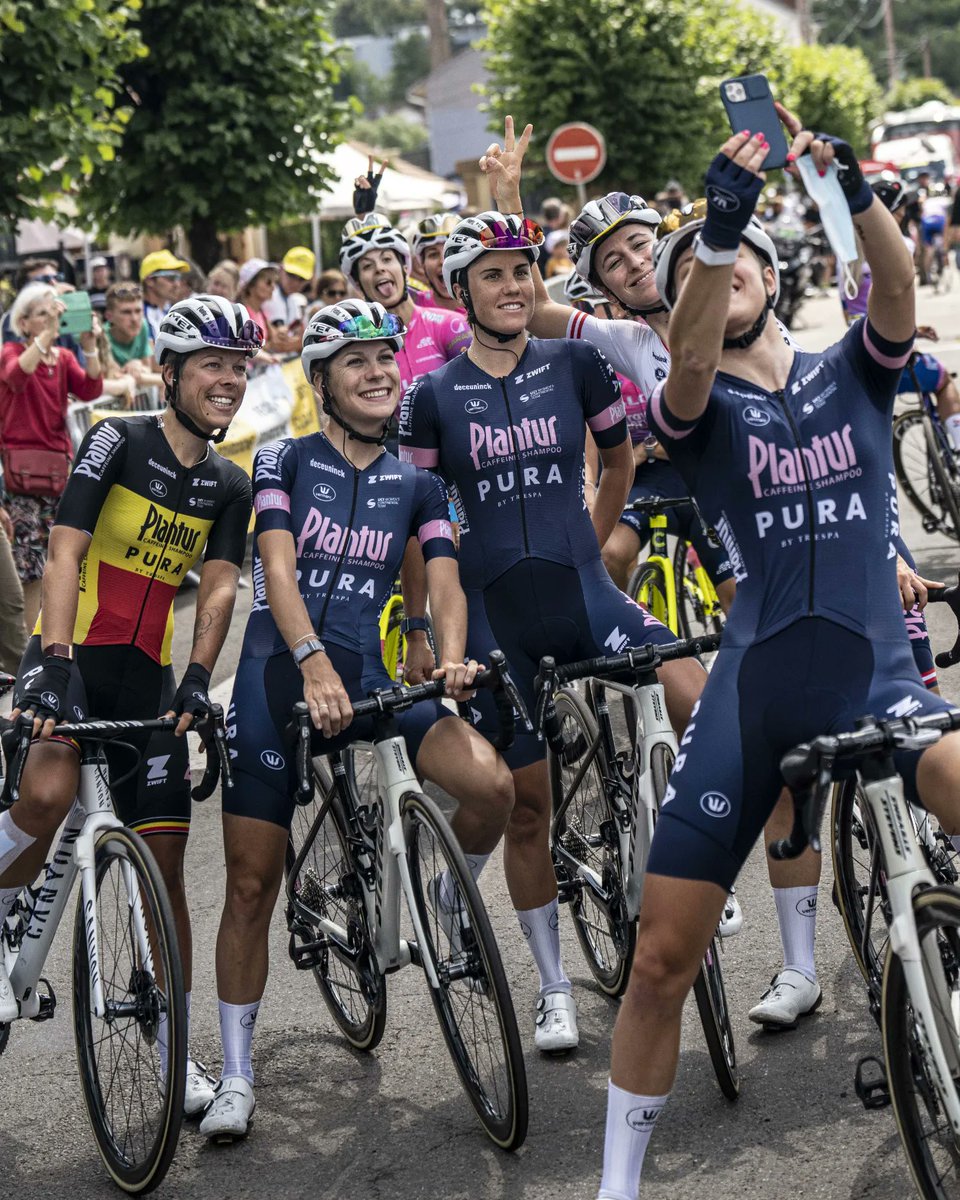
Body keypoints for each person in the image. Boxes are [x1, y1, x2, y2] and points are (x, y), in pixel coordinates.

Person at [593, 110, 960, 1200]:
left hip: (879, 676)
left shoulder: (851, 369)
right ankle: (619, 1185)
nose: (733, 271)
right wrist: (707, 237)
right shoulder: (688, 409)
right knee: (661, 961)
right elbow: (694, 352)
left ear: (778, 269)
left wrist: (848, 183)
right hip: (754, 702)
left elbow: (894, 292)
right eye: (711, 268)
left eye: (752, 255)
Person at [199, 298, 514, 1141]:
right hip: (280, 683)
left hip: (370, 681)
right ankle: (234, 1071)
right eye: (356, 362)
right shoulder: (284, 460)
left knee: (490, 786)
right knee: (252, 885)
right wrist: (310, 660)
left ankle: (448, 900)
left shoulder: (420, 482)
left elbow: (442, 577)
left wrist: (447, 655)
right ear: (324, 383)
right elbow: (278, 567)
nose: (380, 373)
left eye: (387, 358)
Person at [398, 211, 705, 1054]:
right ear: (461, 291)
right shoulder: (430, 397)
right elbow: (420, 521)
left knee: (698, 700)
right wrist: (427, 631)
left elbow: (619, 462)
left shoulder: (578, 361)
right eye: (492, 274)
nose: (513, 286)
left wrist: (600, 548)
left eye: (523, 271)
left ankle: (683, 861)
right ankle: (554, 985)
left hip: (581, 587)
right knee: (528, 809)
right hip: (499, 613)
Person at [0, 294, 260, 1114]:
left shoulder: (227, 482)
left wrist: (197, 678)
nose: (228, 381)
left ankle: (174, 1049)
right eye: (213, 365)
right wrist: (50, 662)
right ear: (176, 371)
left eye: (240, 368)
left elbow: (218, 587)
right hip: (75, 659)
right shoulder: (122, 436)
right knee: (43, 794)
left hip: (148, 679)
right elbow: (67, 549)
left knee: (167, 873)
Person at [482, 119, 736, 609]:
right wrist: (510, 204)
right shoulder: (633, 344)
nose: (634, 263)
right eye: (614, 263)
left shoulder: (735, 307)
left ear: (662, 244)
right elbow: (536, 310)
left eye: (639, 245)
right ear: (606, 293)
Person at [0, 283, 103, 635]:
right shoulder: (11, 351)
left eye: (55, 312)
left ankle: (59, 634)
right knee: (29, 567)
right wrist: (46, 337)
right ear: (24, 322)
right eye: (43, 313)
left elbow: (91, 388)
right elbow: (16, 376)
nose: (52, 319)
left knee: (62, 558)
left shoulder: (63, 358)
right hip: (21, 477)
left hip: (58, 470)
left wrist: (90, 346)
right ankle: (33, 644)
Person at [338, 213, 471, 430]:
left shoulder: (450, 324)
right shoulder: (360, 347)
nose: (379, 268)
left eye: (387, 259)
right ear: (359, 285)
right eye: (367, 266)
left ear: (404, 268)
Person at [103, 282, 163, 391]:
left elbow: (147, 369)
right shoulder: (102, 337)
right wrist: (165, 381)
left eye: (138, 311)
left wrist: (138, 364)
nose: (134, 319)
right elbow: (114, 377)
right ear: (109, 316)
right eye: (126, 312)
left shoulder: (143, 326)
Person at [410, 213, 466, 313]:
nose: (443, 261)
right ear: (422, 264)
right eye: (433, 254)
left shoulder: (485, 304)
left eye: (451, 252)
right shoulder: (412, 305)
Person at [140, 249, 190, 338]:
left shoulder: (173, 312)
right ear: (149, 281)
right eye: (171, 277)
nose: (177, 284)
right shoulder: (137, 314)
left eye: (178, 277)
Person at [263, 246, 315, 329]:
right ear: (281, 269)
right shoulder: (270, 296)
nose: (296, 283)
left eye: (302, 279)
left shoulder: (296, 299)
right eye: (291, 275)